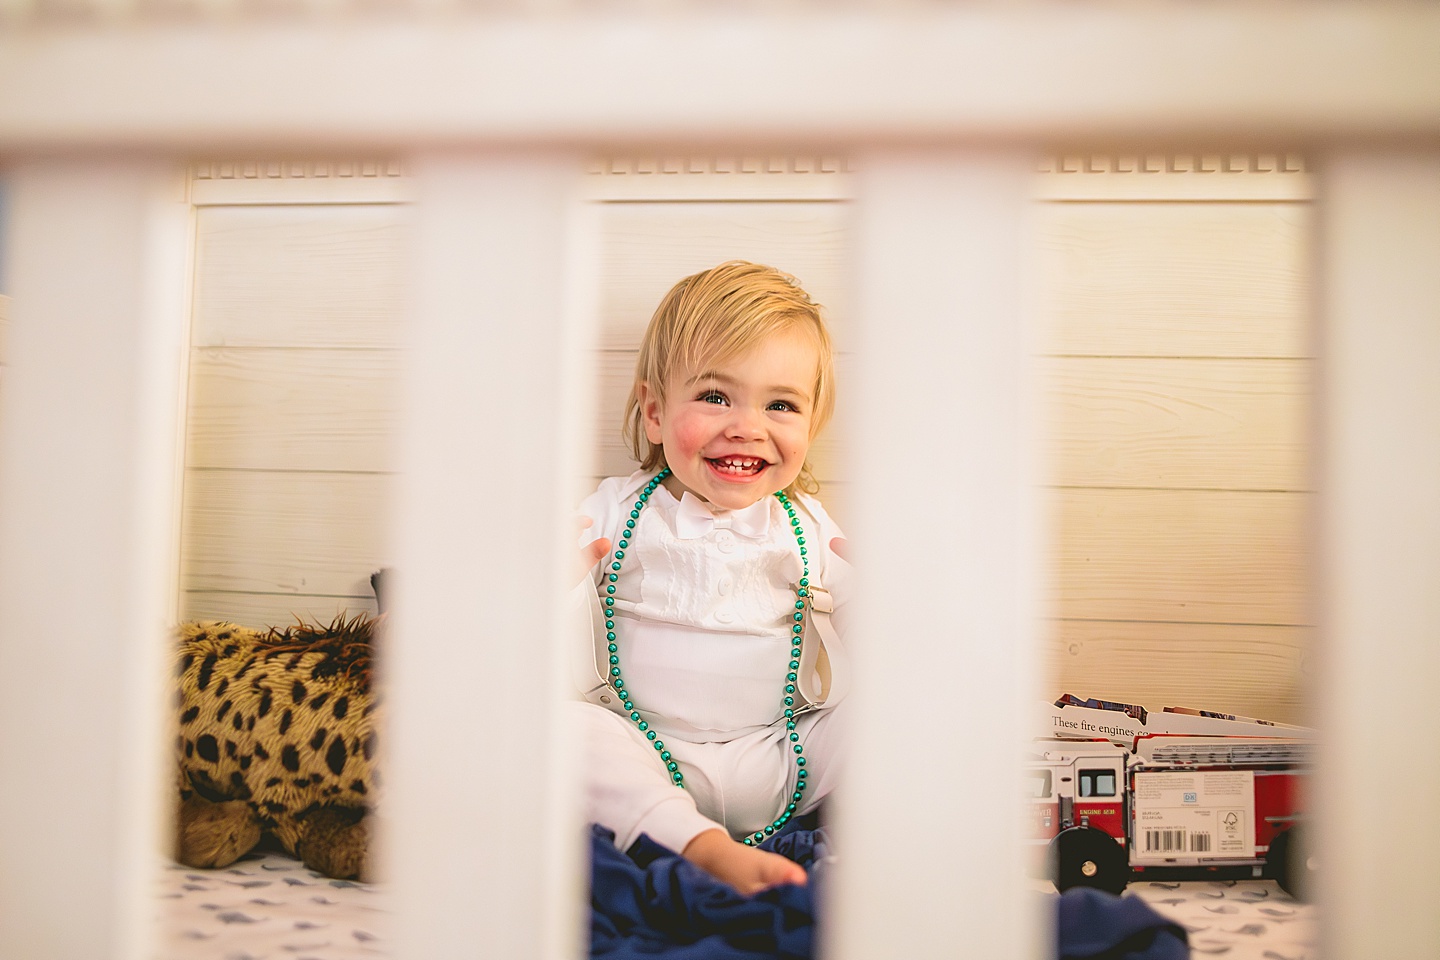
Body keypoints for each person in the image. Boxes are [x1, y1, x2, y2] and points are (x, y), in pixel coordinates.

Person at [571, 260, 853, 896]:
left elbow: (869, 624)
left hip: (783, 754)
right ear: (652, 412)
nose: (746, 425)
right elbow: (521, 578)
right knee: (564, 729)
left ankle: (899, 839)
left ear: (810, 425)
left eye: (780, 404)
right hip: (647, 752)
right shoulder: (616, 509)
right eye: (715, 397)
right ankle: (699, 846)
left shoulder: (807, 524)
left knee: (893, 716)